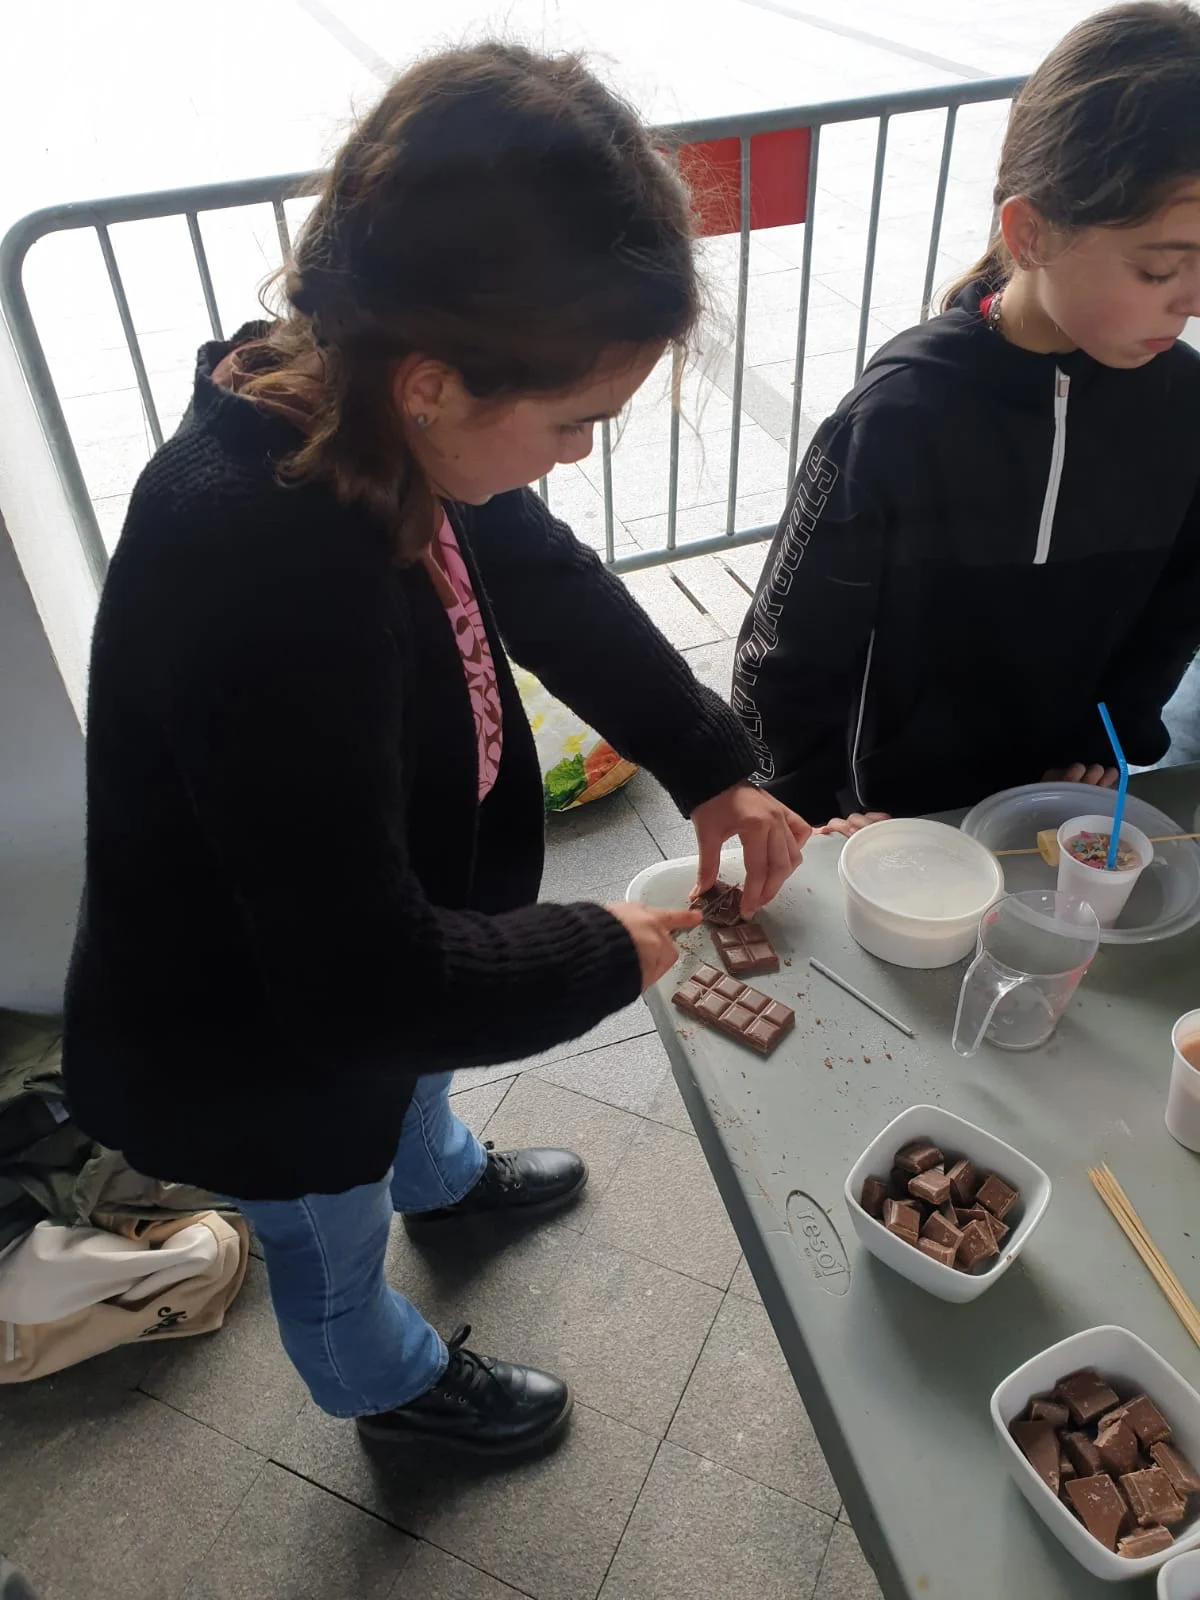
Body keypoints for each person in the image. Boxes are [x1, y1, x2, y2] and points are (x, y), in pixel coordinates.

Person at [63, 44, 810, 1459]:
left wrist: (711, 760)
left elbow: (547, 581)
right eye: (574, 421)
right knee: (327, 1230)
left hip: (391, 947)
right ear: (433, 381)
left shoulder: (371, 417)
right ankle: (387, 1383)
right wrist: (604, 946)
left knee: (416, 1086)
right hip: (263, 1042)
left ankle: (439, 1172)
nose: (576, 456)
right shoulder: (267, 562)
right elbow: (364, 982)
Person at [733, 0, 1200, 835]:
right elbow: (784, 653)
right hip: (888, 816)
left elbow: (1177, 605)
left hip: (1060, 799)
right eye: (1159, 269)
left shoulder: (1185, 405)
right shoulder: (902, 414)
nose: (1191, 304)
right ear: (1031, 233)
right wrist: (807, 809)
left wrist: (1112, 739)